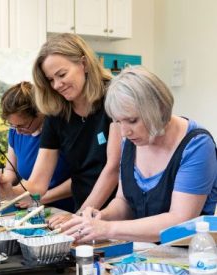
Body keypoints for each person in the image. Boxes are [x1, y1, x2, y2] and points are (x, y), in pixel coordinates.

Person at [61, 66, 217, 243]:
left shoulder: (196, 146)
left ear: (158, 108)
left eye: (132, 120)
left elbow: (180, 220)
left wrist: (107, 229)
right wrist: (100, 217)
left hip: (191, 257)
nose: (124, 132)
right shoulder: (131, 141)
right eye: (119, 122)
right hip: (145, 254)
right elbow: (124, 202)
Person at [0, 34, 121, 224]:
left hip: (117, 212)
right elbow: (38, 184)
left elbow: (113, 167)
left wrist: (81, 216)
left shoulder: (114, 97)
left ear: (84, 63)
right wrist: (8, 191)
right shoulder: (56, 113)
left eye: (62, 75)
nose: (57, 85)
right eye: (50, 80)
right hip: (84, 211)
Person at [0, 81, 74, 212]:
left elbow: (81, 179)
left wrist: (40, 198)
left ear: (39, 112)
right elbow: (11, 171)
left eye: (22, 125)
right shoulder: (16, 132)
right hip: (33, 206)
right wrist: (0, 182)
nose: (18, 131)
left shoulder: (61, 131)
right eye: (12, 125)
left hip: (67, 209)